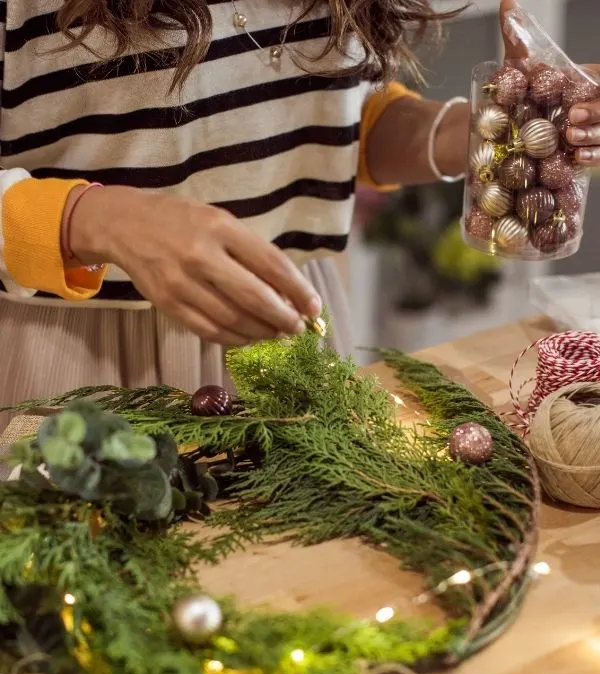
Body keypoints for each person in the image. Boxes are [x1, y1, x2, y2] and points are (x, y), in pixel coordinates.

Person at [0, 0, 598, 407]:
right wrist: (101, 221)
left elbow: (326, 118)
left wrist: (487, 134)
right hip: (73, 353)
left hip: (288, 330)